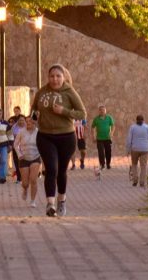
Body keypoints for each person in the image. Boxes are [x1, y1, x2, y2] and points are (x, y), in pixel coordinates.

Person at [32, 64, 87, 217]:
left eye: (58, 76)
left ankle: (61, 200)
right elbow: (33, 110)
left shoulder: (69, 92)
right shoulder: (42, 91)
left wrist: (64, 111)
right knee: (51, 169)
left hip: (66, 137)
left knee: (61, 171)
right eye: (52, 76)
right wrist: (33, 116)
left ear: (63, 77)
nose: (54, 79)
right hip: (45, 136)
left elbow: (82, 114)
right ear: (48, 77)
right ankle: (50, 204)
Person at [15, 114, 42, 207]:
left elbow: (43, 146)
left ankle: (33, 201)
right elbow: (15, 144)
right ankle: (25, 189)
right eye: (27, 122)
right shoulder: (21, 132)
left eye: (30, 121)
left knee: (33, 180)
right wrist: (19, 154)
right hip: (24, 158)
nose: (28, 123)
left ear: (34, 122)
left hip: (35, 157)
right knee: (25, 183)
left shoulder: (39, 133)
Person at [125, 114, 148, 187]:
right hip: (145, 149)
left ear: (136, 120)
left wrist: (128, 149)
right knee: (143, 166)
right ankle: (142, 182)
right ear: (143, 120)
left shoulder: (132, 127)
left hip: (135, 149)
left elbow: (129, 139)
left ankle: (135, 180)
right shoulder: (147, 127)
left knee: (134, 164)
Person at [91, 103, 115, 169]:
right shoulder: (96, 119)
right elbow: (92, 127)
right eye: (101, 110)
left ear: (105, 111)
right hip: (99, 138)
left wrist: (112, 133)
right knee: (101, 152)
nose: (102, 111)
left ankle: (108, 164)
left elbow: (113, 126)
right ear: (99, 111)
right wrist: (93, 136)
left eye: (103, 110)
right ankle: (102, 164)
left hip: (107, 138)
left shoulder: (109, 118)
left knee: (108, 151)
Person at [7, 106, 23, 182]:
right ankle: (19, 177)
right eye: (15, 110)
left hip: (24, 147)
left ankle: (24, 176)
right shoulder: (12, 120)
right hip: (15, 146)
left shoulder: (27, 126)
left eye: (17, 110)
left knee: (23, 162)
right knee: (16, 162)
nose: (21, 121)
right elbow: (9, 133)